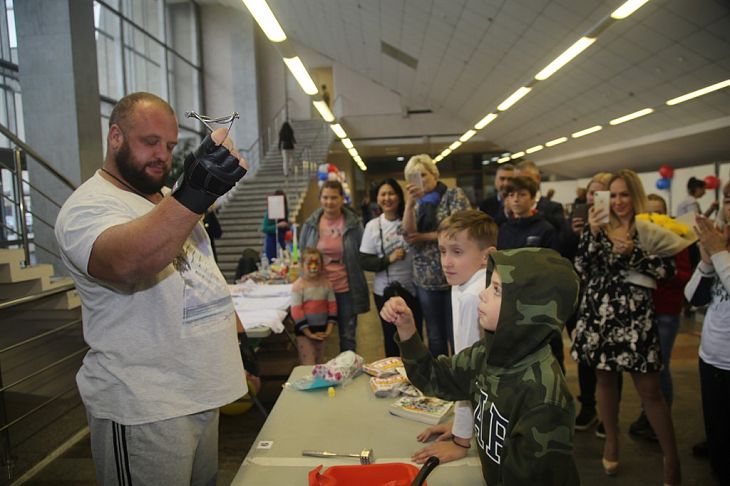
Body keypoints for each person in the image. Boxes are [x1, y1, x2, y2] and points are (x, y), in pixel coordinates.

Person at [54, 92, 249, 485]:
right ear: (116, 138)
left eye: (171, 145)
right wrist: (193, 194)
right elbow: (128, 262)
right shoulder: (87, 207)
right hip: (144, 406)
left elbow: (197, 276)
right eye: (150, 142)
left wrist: (238, 339)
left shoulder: (162, 198)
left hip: (197, 393)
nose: (163, 154)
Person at [381, 247, 581, 486]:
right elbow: (434, 377)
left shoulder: (544, 399)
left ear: (527, 309)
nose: (483, 295)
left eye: (496, 290)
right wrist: (407, 329)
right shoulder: (488, 353)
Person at [571, 169, 681, 484]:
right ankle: (611, 441)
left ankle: (671, 458)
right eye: (613, 195)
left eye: (624, 194)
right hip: (599, 312)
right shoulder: (599, 225)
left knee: (650, 389)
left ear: (635, 195)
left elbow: (666, 271)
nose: (618, 201)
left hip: (635, 316)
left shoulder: (651, 226)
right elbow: (582, 267)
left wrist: (633, 253)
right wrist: (591, 234)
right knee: (605, 381)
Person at [411, 209, 497, 465]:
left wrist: (461, 439)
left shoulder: (475, 295)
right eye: (442, 251)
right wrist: (461, 420)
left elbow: (468, 373)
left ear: (486, 256)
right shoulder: (464, 281)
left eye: (457, 252)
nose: (446, 261)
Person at [629, 194, 692, 441]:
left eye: (659, 212)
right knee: (645, 367)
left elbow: (684, 274)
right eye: (650, 213)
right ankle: (649, 414)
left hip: (666, 311)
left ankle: (660, 417)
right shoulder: (638, 238)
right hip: (643, 311)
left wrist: (658, 271)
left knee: (660, 367)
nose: (655, 218)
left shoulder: (677, 239)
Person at [403, 154, 470, 357]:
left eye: (423, 175)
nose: (420, 181)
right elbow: (407, 233)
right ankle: (439, 380)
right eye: (414, 177)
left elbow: (460, 229)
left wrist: (423, 236)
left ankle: (459, 377)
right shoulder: (415, 202)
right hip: (425, 280)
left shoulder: (453, 195)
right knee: (435, 336)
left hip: (455, 278)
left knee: (456, 333)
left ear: (434, 174)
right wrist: (408, 205)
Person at [685, 211, 730, 486]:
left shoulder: (722, 250)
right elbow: (693, 298)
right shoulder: (723, 248)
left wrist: (718, 252)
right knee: (717, 425)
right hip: (711, 355)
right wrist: (706, 260)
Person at [300, 180, 369, 352]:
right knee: (317, 336)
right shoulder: (310, 224)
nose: (329, 202)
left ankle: (348, 372)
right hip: (317, 289)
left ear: (341, 199)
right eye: (325, 197)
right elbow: (303, 253)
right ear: (320, 199)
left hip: (345, 287)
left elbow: (363, 251)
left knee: (348, 336)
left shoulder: (354, 224)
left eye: (334, 197)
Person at [359, 178, 422, 357]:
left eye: (391, 193)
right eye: (383, 194)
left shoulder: (410, 219)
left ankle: (417, 373)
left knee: (413, 335)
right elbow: (364, 261)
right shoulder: (372, 226)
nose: (387, 198)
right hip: (384, 290)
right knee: (390, 336)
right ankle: (394, 376)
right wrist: (389, 259)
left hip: (413, 288)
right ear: (377, 199)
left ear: (399, 197)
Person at [291, 247, 336, 365]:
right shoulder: (298, 286)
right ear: (301, 265)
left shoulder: (327, 284)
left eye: (317, 263)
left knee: (320, 363)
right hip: (304, 334)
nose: (313, 267)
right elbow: (296, 312)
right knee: (308, 365)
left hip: (322, 332)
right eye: (309, 263)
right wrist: (308, 332)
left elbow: (332, 307)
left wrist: (328, 330)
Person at [497, 175, 557, 250]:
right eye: (511, 195)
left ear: (533, 199)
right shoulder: (503, 230)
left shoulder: (545, 229)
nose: (516, 199)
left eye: (522, 195)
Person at [261, 189, 289, 262]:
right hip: (272, 241)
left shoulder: (285, 210)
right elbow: (264, 228)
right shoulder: (270, 211)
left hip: (282, 239)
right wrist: (278, 225)